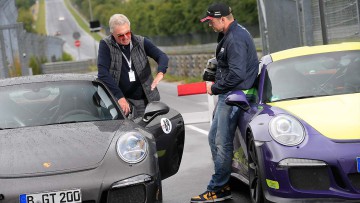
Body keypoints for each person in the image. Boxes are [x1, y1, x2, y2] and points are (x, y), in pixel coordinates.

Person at [191, 3, 259, 202]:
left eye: (211, 21)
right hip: (230, 93)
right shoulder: (230, 34)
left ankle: (219, 188)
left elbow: (237, 74)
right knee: (214, 139)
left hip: (234, 94)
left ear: (222, 19)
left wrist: (216, 88)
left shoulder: (235, 38)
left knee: (221, 142)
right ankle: (225, 181)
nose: (209, 24)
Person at [97, 14, 169, 119]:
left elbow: (162, 56)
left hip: (146, 100)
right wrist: (119, 97)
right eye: (120, 35)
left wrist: (160, 72)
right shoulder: (106, 45)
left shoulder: (141, 42)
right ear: (112, 34)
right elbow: (103, 73)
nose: (125, 37)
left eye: (128, 33)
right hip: (122, 102)